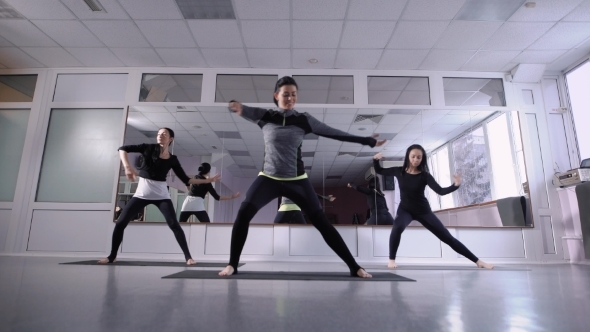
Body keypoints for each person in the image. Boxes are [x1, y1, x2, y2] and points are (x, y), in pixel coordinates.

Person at [219, 76, 386, 277]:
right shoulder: (265, 116)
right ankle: (232, 265)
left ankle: (355, 267)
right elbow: (242, 109)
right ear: (276, 96)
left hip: (296, 180)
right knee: (243, 214)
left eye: (294, 95)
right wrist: (234, 106)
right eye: (286, 94)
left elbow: (333, 132)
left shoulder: (303, 119)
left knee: (322, 222)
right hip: (269, 178)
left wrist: (366, 141)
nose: (290, 98)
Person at [98, 128, 220, 265]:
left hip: (161, 196)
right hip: (141, 195)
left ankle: (188, 257)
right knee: (120, 223)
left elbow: (187, 180)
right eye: (158, 134)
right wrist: (127, 167)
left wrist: (208, 181)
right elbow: (122, 149)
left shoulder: (172, 159)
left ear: (171, 139)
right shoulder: (148, 148)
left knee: (174, 225)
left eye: (164, 134)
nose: (160, 136)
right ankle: (112, 256)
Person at [373, 146, 494, 269]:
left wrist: (455, 185)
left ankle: (478, 262)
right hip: (405, 210)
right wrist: (375, 159)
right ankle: (391, 260)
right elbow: (379, 170)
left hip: (423, 211)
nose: (415, 159)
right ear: (408, 157)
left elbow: (440, 191)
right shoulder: (399, 171)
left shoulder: (425, 176)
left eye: (419, 157)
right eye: (413, 156)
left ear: (422, 159)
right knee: (397, 227)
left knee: (448, 238)